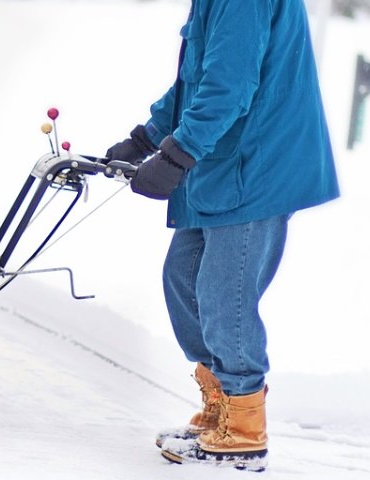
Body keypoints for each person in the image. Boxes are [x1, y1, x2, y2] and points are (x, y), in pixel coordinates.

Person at [104, 0, 339, 471]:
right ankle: (221, 404)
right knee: (183, 278)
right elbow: (200, 75)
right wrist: (149, 136)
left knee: (223, 294)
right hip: (227, 159)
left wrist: (176, 155)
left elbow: (228, 87)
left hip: (259, 164)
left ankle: (245, 429)